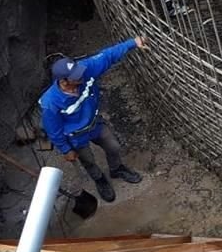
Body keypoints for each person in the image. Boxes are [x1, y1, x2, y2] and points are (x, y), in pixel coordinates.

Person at [39, 37, 148, 202]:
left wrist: (133, 42)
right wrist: (66, 150)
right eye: (76, 76)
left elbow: (107, 56)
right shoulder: (51, 103)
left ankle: (116, 168)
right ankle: (100, 179)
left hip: (94, 123)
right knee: (88, 161)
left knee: (113, 146)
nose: (81, 76)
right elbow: (53, 130)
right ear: (63, 81)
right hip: (76, 136)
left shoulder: (84, 70)